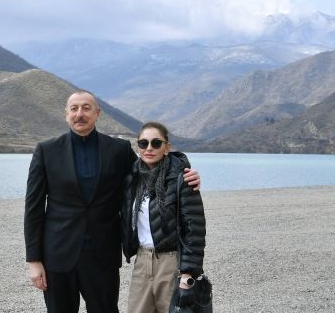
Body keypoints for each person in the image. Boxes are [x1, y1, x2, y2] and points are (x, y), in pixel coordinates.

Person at [24, 90, 201, 313]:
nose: (80, 114)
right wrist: (34, 260)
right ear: (66, 114)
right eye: (74, 109)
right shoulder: (46, 151)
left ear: (97, 113)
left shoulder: (118, 150)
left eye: (86, 108)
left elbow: (150, 169)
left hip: (103, 254)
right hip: (58, 255)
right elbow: (33, 208)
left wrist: (184, 174)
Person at [122, 122, 206, 313]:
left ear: (167, 147)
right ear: (138, 147)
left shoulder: (182, 179)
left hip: (172, 262)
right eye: (143, 143)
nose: (149, 148)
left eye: (156, 143)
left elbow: (194, 230)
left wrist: (188, 273)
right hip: (142, 261)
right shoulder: (132, 179)